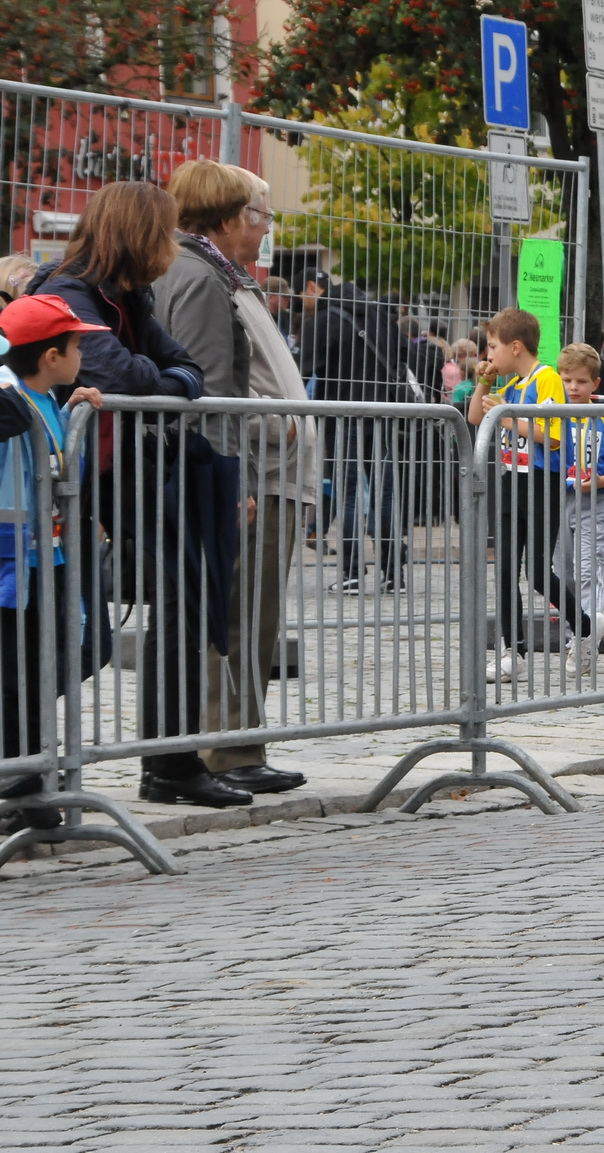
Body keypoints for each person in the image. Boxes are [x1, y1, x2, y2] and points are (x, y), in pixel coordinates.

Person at [25, 182, 239, 806]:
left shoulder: (128, 296)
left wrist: (159, 380)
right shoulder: (68, 293)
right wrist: (158, 380)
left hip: (122, 470)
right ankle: (24, 762)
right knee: (79, 636)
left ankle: (170, 764)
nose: (170, 244)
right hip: (70, 479)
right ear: (139, 234)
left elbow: (189, 371)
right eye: (163, 232)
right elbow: (120, 373)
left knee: (181, 598)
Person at [157, 160, 318, 798]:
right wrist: (263, 440)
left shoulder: (223, 276)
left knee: (252, 616)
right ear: (231, 217)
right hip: (253, 472)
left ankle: (235, 744)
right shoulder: (202, 276)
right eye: (261, 215)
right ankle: (227, 748)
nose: (267, 227)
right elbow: (210, 385)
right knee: (241, 615)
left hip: (263, 470)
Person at [0, 298, 106, 834]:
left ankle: (28, 775)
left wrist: (71, 413)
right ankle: (23, 778)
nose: (82, 354)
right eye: (76, 345)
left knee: (52, 661)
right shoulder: (11, 399)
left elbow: (60, 469)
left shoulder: (44, 400)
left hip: (46, 554)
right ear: (50, 356)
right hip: (11, 561)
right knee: (17, 672)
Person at [468, 308, 586, 682]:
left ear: (515, 347)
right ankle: (512, 653)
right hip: (510, 480)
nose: (488, 354)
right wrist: (484, 383)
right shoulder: (513, 385)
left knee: (537, 572)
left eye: (492, 347)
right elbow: (475, 417)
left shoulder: (546, 378)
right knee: (505, 568)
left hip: (541, 481)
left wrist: (504, 417)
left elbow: (552, 435)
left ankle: (584, 627)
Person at [300, 271, 411, 593]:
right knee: (385, 494)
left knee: (348, 494)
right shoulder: (381, 316)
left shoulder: (323, 321)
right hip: (384, 414)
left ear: (314, 289)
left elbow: (303, 370)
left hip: (342, 416)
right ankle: (393, 573)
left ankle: (351, 573)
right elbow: (403, 357)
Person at [552, 341, 604, 676]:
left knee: (588, 571)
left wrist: (597, 481)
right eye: (567, 380)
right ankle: (574, 632)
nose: (573, 387)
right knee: (562, 573)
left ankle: (584, 643)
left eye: (581, 381)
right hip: (558, 501)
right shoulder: (552, 414)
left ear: (595, 383)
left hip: (593, 504)